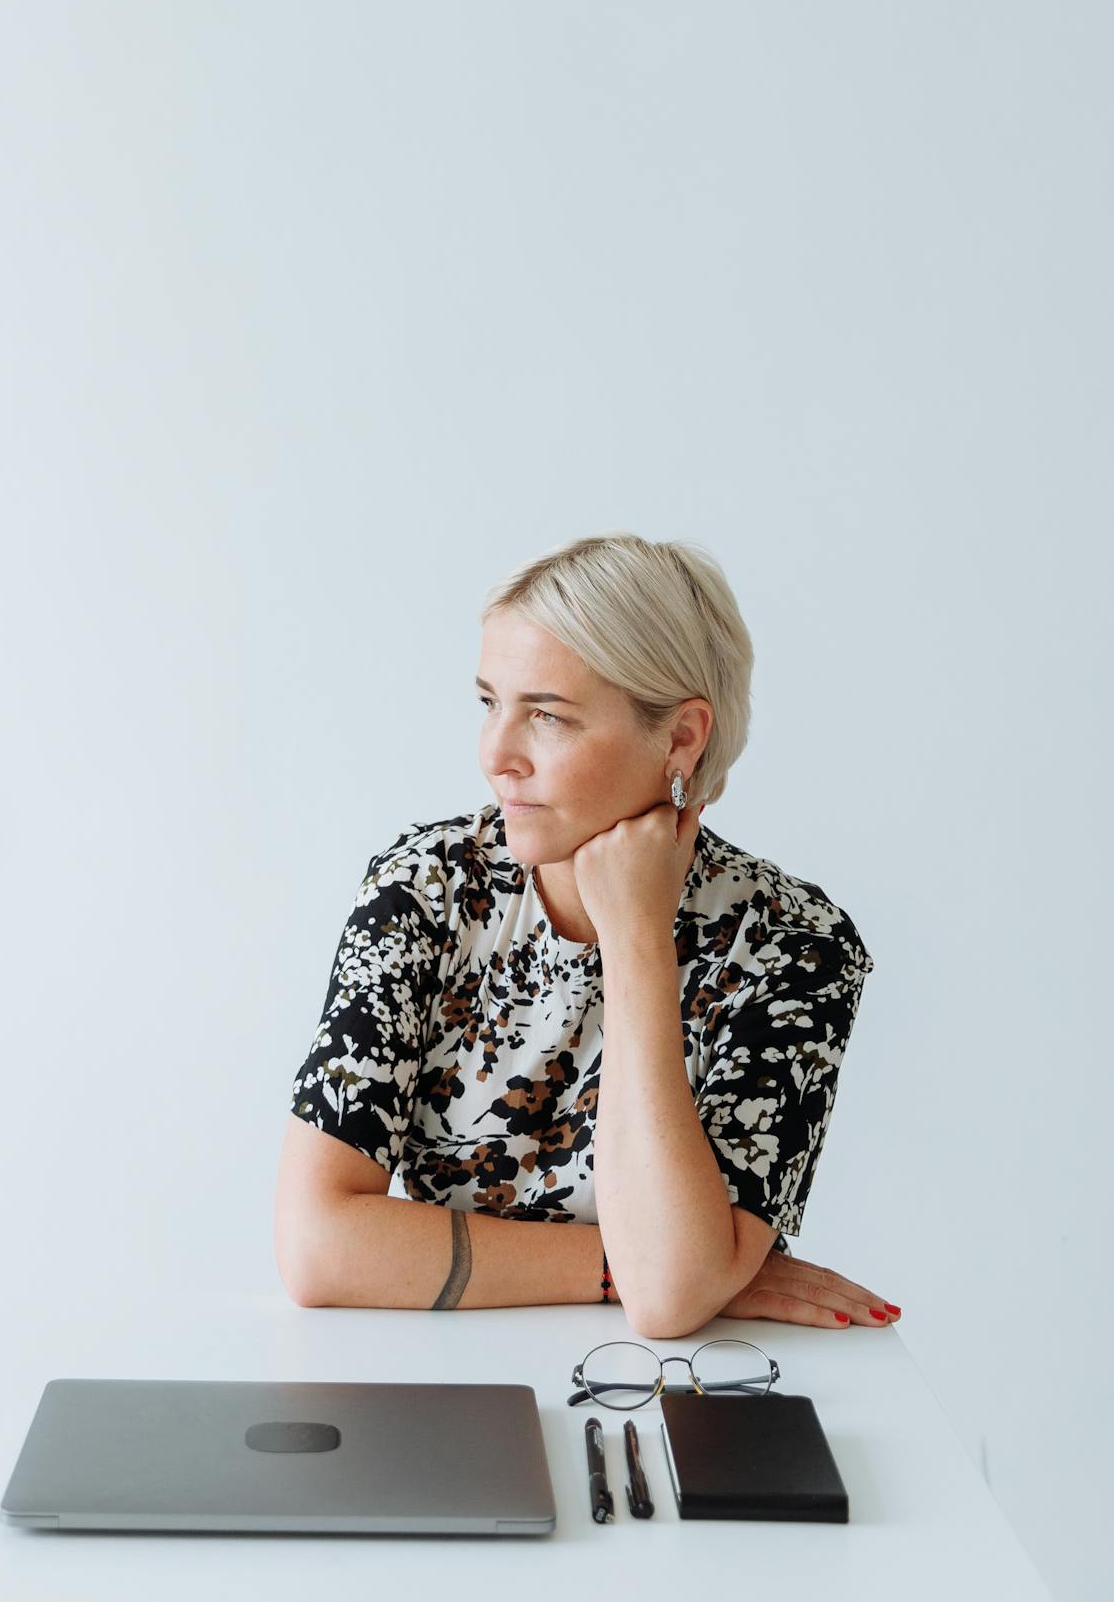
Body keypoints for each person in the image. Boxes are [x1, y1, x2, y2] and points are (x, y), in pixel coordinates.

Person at [273, 531, 898, 1341]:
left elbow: (668, 1303)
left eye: (548, 716)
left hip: (664, 1390)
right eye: (489, 702)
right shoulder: (425, 886)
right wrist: (633, 1265)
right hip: (431, 1375)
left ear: (680, 736)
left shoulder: (795, 947)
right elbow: (319, 1250)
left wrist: (637, 938)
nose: (496, 755)